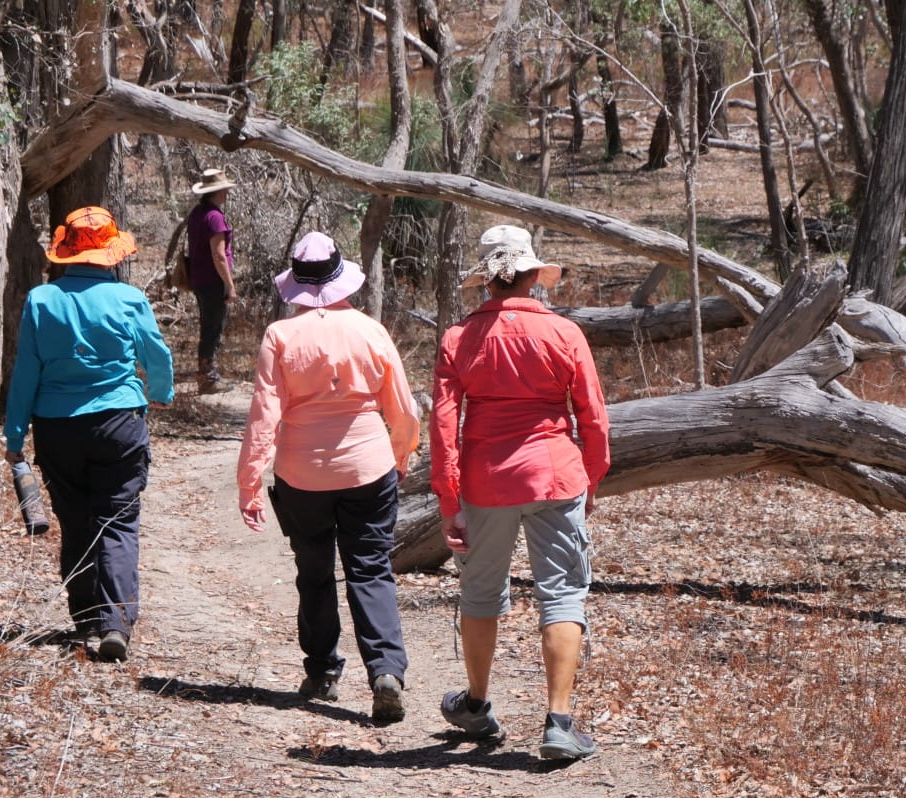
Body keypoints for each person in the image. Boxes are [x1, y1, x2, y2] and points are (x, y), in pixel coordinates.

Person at [430, 224, 611, 760]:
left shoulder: (458, 338)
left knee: (480, 593)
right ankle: (558, 722)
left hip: (486, 482)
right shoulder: (565, 334)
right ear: (533, 275)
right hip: (556, 474)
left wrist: (449, 500)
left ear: (485, 282)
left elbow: (444, 427)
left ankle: (478, 705)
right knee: (562, 593)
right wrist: (592, 477)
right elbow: (594, 418)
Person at [237, 232, 419, 723]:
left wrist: (250, 482)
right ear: (343, 280)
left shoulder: (280, 336)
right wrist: (400, 454)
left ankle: (321, 672)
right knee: (370, 569)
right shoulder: (370, 331)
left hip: (302, 475)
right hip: (369, 467)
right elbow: (402, 407)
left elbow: (264, 416)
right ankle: (385, 671)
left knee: (314, 573)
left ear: (296, 282)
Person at [4, 206, 175, 662]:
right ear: (111, 255)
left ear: (66, 253)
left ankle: (86, 619)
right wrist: (161, 393)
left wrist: (14, 434)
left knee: (77, 521)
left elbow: (26, 373)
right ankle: (116, 622)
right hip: (119, 424)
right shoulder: (128, 299)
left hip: (57, 429)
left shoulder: (42, 301)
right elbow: (155, 356)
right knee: (117, 521)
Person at [186, 167, 238, 394]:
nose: (226, 193)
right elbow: (218, 255)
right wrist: (230, 284)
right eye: (224, 190)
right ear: (218, 192)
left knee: (209, 326)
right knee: (213, 328)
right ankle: (208, 378)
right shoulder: (215, 218)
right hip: (212, 281)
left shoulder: (198, 213)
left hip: (199, 278)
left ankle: (207, 375)